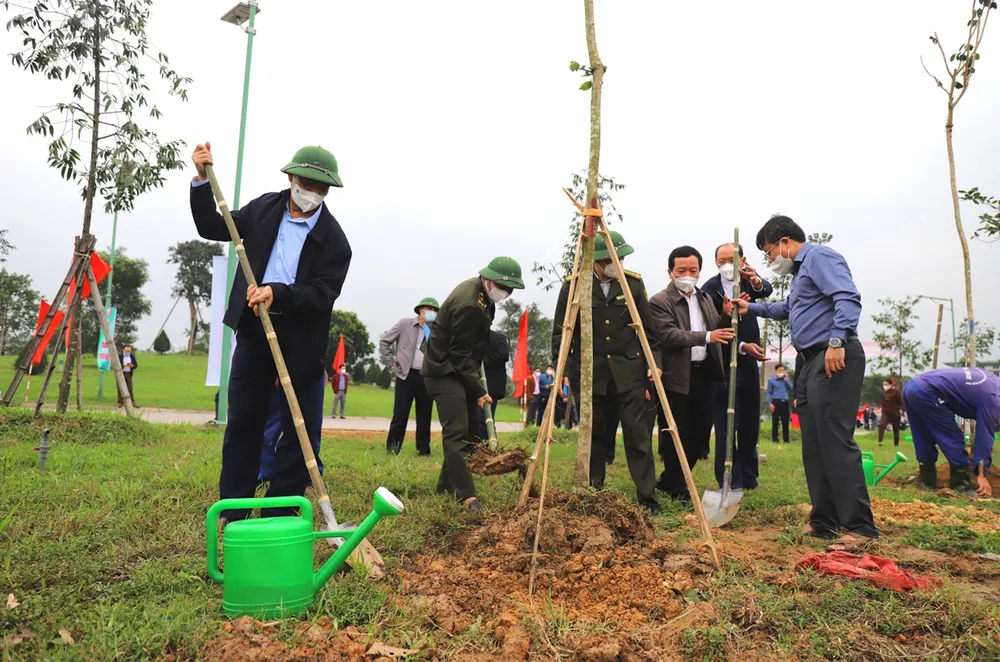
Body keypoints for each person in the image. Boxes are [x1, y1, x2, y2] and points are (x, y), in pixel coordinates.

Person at [190, 142, 351, 521]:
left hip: (301, 342)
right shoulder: (264, 208)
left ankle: (279, 512)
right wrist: (201, 180)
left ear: (327, 192)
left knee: (300, 431)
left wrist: (276, 292)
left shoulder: (335, 241)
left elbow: (321, 294)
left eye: (319, 187)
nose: (310, 192)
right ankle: (234, 507)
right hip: (254, 331)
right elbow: (214, 226)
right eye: (305, 181)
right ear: (291, 177)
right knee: (244, 422)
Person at [733, 215, 877, 552]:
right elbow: (789, 309)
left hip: (832, 355)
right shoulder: (800, 275)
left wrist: (837, 342)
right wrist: (750, 307)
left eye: (769, 252)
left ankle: (859, 526)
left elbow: (847, 297)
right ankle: (824, 519)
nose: (770, 260)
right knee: (813, 442)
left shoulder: (821, 258)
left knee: (835, 440)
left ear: (785, 242)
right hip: (809, 360)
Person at [553, 231, 662, 514]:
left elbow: (649, 331)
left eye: (622, 258)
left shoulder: (633, 284)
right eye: (614, 258)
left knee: (638, 436)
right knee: (595, 436)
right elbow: (561, 332)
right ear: (598, 261)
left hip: (629, 372)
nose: (620, 263)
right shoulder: (575, 285)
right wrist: (562, 369)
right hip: (590, 374)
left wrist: (654, 363)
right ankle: (593, 493)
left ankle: (647, 498)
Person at [422, 257, 525, 510]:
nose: (506, 293)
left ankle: (445, 487)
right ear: (488, 279)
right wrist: (479, 391)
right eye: (503, 287)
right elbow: (458, 356)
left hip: (457, 370)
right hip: (444, 371)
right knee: (457, 433)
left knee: (467, 433)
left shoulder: (483, 296)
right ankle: (466, 495)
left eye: (510, 289)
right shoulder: (470, 303)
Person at [649, 246, 733, 502]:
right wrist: (708, 336)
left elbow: (715, 329)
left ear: (700, 271)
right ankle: (678, 488)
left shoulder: (705, 297)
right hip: (676, 377)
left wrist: (726, 317)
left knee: (699, 436)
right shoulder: (659, 301)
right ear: (670, 272)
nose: (688, 275)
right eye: (681, 270)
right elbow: (669, 335)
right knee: (676, 433)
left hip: (704, 375)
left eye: (693, 270)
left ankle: (669, 479)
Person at [704, 243, 770, 491]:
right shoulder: (709, 290)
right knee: (725, 425)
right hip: (722, 365)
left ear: (742, 259)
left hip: (750, 364)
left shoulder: (747, 283)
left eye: (731, 259)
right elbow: (713, 328)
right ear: (716, 263)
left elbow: (766, 291)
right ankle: (728, 478)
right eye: (721, 260)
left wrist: (754, 279)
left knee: (750, 421)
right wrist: (742, 345)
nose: (726, 265)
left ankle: (750, 476)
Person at [904, 367, 999, 497]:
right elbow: (984, 437)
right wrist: (982, 475)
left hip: (911, 386)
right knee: (952, 438)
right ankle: (962, 487)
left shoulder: (992, 382)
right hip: (929, 391)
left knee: (923, 436)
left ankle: (928, 483)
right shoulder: (994, 401)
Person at [380, 297, 440, 455]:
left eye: (435, 310)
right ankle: (393, 448)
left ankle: (423, 449)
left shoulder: (436, 331)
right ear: (420, 309)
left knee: (425, 414)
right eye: (429, 309)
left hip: (427, 377)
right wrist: (391, 363)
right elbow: (385, 341)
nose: (431, 312)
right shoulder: (405, 324)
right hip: (405, 376)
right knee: (400, 413)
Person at [260, 376, 326, 483]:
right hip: (280, 367)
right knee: (270, 430)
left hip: (310, 367)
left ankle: (310, 477)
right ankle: (265, 475)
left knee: (309, 427)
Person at [478, 329, 510, 440]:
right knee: (478, 419)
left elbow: (504, 355)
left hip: (492, 386)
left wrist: (483, 362)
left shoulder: (498, 338)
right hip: (474, 385)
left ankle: (488, 445)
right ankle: (479, 445)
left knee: (486, 418)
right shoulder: (470, 337)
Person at [767, 364, 793, 444]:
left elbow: (792, 389)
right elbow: (769, 392)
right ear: (776, 371)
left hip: (784, 402)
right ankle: (775, 439)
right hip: (775, 402)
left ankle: (786, 440)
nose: (781, 372)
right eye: (780, 370)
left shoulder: (785, 380)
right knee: (775, 422)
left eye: (783, 370)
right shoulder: (771, 380)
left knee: (785, 421)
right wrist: (770, 403)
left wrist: (787, 380)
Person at [879, 377, 904, 447]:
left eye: (886, 384)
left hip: (895, 413)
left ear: (890, 384)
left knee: (896, 429)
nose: (884, 386)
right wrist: (882, 410)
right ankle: (880, 441)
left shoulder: (896, 392)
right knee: (881, 425)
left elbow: (901, 402)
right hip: (885, 412)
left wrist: (902, 410)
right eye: (883, 384)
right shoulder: (884, 393)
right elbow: (883, 402)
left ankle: (896, 444)